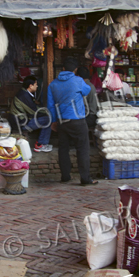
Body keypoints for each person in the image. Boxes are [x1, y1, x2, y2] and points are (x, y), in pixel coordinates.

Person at [47, 57, 97, 185]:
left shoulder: (52, 84)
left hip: (62, 121)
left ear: (63, 69)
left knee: (63, 148)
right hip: (78, 121)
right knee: (82, 149)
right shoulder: (78, 80)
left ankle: (65, 176)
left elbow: (51, 106)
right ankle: (85, 179)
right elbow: (88, 90)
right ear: (75, 70)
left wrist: (54, 121)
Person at [9, 75, 52, 152]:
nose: (37, 86)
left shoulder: (24, 93)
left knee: (46, 117)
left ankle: (41, 143)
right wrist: (48, 112)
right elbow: (34, 111)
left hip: (22, 121)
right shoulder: (23, 95)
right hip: (21, 124)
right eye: (36, 84)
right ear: (30, 86)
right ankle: (40, 145)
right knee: (48, 119)